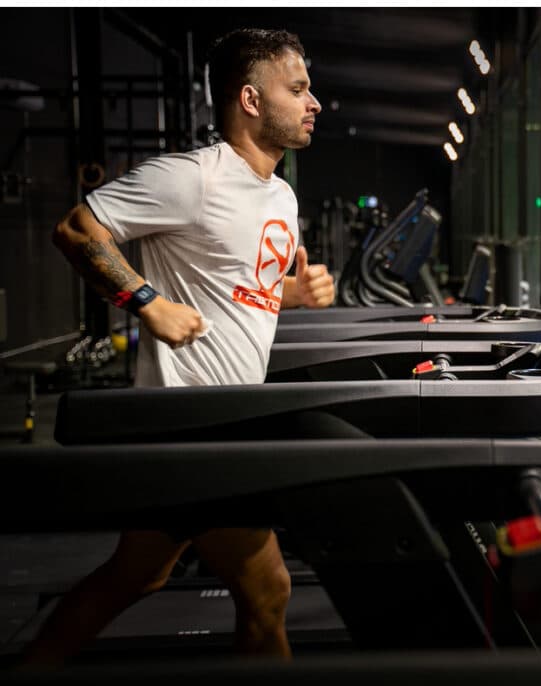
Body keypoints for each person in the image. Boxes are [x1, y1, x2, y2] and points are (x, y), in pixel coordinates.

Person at [22, 28, 332, 665]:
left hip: (223, 419)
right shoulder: (194, 177)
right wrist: (146, 303)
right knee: (269, 590)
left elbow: (243, 290)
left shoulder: (281, 194)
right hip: (194, 423)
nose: (313, 102)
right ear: (250, 99)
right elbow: (77, 229)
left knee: (139, 575)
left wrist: (292, 295)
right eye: (297, 89)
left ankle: (32, 667)